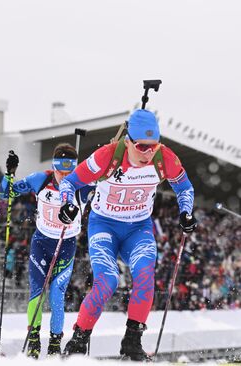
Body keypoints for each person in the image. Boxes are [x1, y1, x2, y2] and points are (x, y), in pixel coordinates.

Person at [57, 109, 197, 360]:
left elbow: (185, 187)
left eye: (153, 146)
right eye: (142, 146)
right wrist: (67, 204)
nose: (148, 152)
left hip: (138, 228)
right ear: (128, 141)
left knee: (145, 276)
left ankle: (132, 341)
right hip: (104, 226)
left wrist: (186, 213)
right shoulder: (106, 156)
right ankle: (78, 341)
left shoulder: (163, 157)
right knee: (107, 282)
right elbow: (70, 183)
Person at [0, 143, 93, 359]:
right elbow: (6, 193)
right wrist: (9, 173)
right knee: (37, 292)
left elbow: (106, 184)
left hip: (66, 247)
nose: (64, 177)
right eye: (60, 171)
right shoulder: (40, 179)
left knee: (57, 295)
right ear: (54, 167)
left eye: (69, 172)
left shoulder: (84, 185)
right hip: (41, 244)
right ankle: (33, 341)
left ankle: (54, 343)